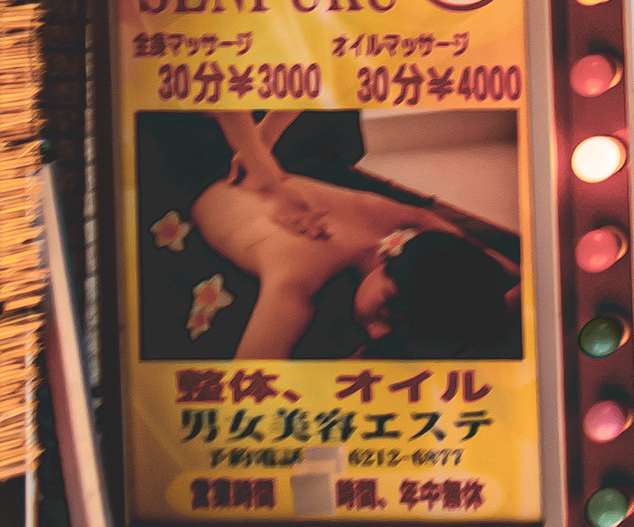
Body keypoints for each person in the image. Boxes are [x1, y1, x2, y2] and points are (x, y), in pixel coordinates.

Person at [149, 109, 522, 360]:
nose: (376, 333)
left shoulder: (390, 219)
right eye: (385, 313)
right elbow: (251, 373)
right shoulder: (298, 276)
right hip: (196, 165)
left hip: (250, 153)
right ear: (387, 265)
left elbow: (432, 224)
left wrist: (503, 273)